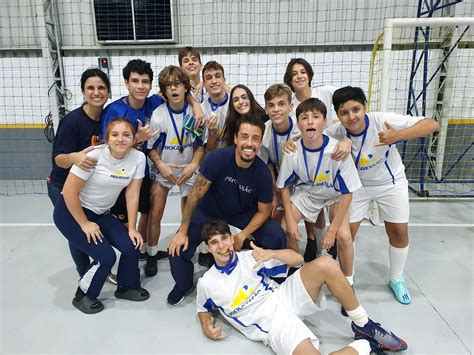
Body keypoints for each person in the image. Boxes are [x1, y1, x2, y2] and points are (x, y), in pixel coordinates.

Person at [196, 220, 408, 355]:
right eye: (214, 242)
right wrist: (207, 326)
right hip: (272, 324)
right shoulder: (208, 282)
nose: (222, 246)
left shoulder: (251, 257)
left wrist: (272, 254)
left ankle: (364, 325)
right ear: (208, 247)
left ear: (232, 240)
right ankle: (365, 346)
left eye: (224, 238)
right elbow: (203, 310)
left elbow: (297, 260)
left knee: (325, 264)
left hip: (284, 298)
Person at [327, 86, 440, 304]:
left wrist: (398, 135)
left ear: (365, 108)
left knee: (398, 231)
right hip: (357, 187)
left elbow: (432, 124)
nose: (351, 116)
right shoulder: (337, 132)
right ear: (338, 115)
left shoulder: (381, 120)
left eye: (356, 109)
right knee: (346, 235)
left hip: (391, 183)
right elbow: (308, 138)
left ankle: (396, 278)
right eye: (344, 113)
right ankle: (347, 282)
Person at [167, 116, 286, 306]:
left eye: (255, 138)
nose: (249, 143)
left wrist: (242, 236)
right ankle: (184, 284)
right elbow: (196, 194)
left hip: (242, 214)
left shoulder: (262, 172)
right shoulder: (218, 158)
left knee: (277, 236)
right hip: (210, 211)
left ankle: (276, 281)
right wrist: (182, 230)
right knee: (176, 248)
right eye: (244, 137)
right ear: (236, 139)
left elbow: (264, 211)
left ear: (260, 142)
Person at [101, 59, 204, 261]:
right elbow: (110, 146)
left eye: (144, 81)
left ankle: (185, 249)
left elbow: (199, 141)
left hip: (178, 169)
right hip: (124, 171)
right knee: (139, 214)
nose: (140, 86)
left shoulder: (156, 103)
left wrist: (197, 105)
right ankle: (137, 255)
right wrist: (159, 163)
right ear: (126, 83)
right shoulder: (118, 111)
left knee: (184, 213)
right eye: (135, 81)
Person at [53, 118, 150, 314]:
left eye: (126, 135)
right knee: (106, 257)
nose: (120, 139)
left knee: (132, 246)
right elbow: (69, 193)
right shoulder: (93, 156)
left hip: (100, 213)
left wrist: (132, 228)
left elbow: (132, 195)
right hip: (71, 213)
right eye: (115, 135)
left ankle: (126, 287)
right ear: (106, 138)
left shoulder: (138, 158)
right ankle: (83, 295)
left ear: (134, 139)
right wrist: (85, 223)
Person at [277, 98, 361, 315]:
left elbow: (347, 192)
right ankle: (295, 272)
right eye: (304, 118)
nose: (310, 121)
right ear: (298, 124)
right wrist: (289, 217)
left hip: (334, 194)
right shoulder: (292, 150)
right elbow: (284, 187)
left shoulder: (337, 150)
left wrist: (332, 230)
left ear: (324, 122)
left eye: (315, 117)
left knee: (343, 235)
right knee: (287, 225)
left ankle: (348, 283)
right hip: (308, 192)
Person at [47, 68, 116, 284]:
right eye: (91, 88)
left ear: (108, 91)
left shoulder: (107, 118)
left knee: (90, 226)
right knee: (77, 229)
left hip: (88, 188)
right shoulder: (72, 121)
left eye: (101, 88)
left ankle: (97, 267)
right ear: (83, 92)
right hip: (62, 187)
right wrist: (74, 157)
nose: (96, 92)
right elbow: (57, 159)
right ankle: (85, 273)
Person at [145, 65, 206, 277]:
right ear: (163, 91)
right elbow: (151, 147)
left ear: (185, 87)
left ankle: (192, 247)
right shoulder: (158, 115)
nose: (174, 89)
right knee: (156, 211)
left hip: (188, 169)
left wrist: (193, 165)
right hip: (165, 169)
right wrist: (160, 165)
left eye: (177, 84)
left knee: (190, 212)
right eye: (168, 85)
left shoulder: (196, 113)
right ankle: (152, 254)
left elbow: (201, 145)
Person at [201, 60, 229, 151]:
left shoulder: (235, 104)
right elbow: (209, 149)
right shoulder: (201, 110)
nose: (214, 81)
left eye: (217, 76)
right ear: (204, 84)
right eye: (209, 78)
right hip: (212, 159)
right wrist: (212, 133)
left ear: (224, 80)